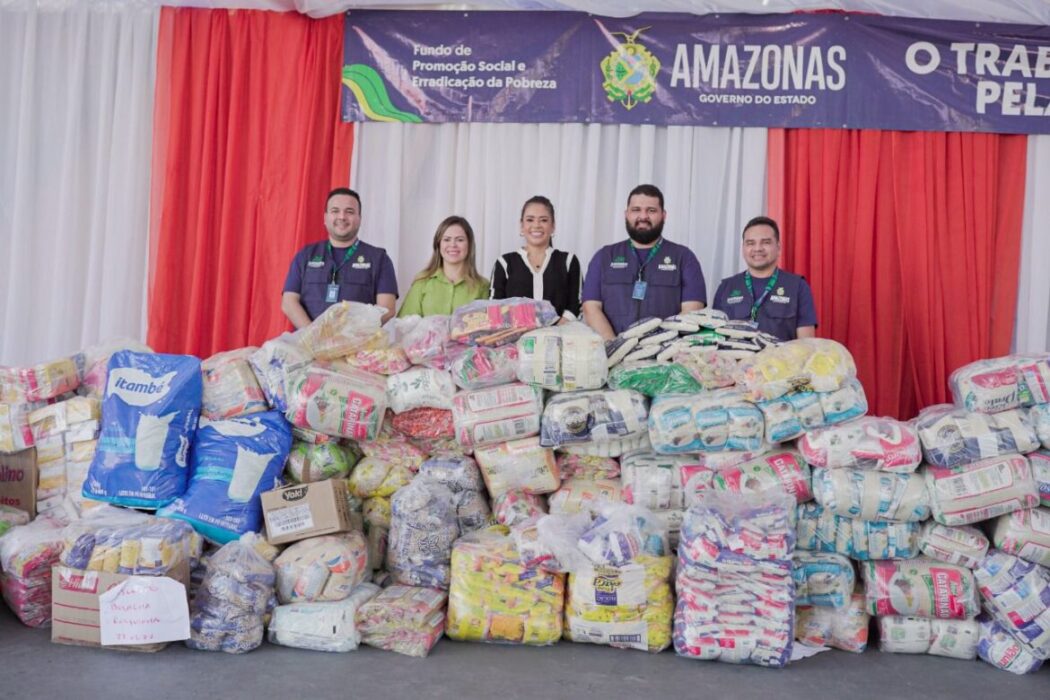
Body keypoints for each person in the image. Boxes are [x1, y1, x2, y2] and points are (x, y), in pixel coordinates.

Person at [581, 184, 706, 339]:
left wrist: (658, 345)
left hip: (664, 356)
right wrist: (614, 347)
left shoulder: (684, 257)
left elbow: (692, 310)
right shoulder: (603, 256)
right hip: (611, 354)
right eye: (636, 210)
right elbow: (591, 307)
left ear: (663, 215)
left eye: (651, 210)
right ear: (626, 214)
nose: (643, 216)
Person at [282, 187, 398, 327]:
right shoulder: (305, 256)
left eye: (349, 212)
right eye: (335, 211)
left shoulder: (379, 259)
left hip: (357, 346)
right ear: (325, 218)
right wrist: (313, 336)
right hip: (308, 344)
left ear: (359, 218)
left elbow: (387, 309)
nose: (342, 217)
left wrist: (347, 339)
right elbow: (288, 302)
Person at [712, 215, 817, 341]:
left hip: (781, 360)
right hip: (736, 360)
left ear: (778, 248)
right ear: (743, 248)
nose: (757, 249)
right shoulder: (726, 287)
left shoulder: (798, 286)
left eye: (765, 242)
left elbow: (807, 343)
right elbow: (715, 338)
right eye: (750, 243)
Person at [489, 195, 582, 321]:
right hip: (515, 337)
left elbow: (576, 303)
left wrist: (556, 329)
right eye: (530, 220)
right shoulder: (505, 263)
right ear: (522, 225)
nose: (536, 225)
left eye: (543, 220)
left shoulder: (568, 261)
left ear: (553, 226)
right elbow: (495, 307)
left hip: (559, 336)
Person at [397, 215, 489, 317]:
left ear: (470, 244)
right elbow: (404, 325)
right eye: (446, 239)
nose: (453, 245)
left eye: (460, 240)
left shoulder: (482, 286)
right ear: (438, 244)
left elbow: (487, 328)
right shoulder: (422, 281)